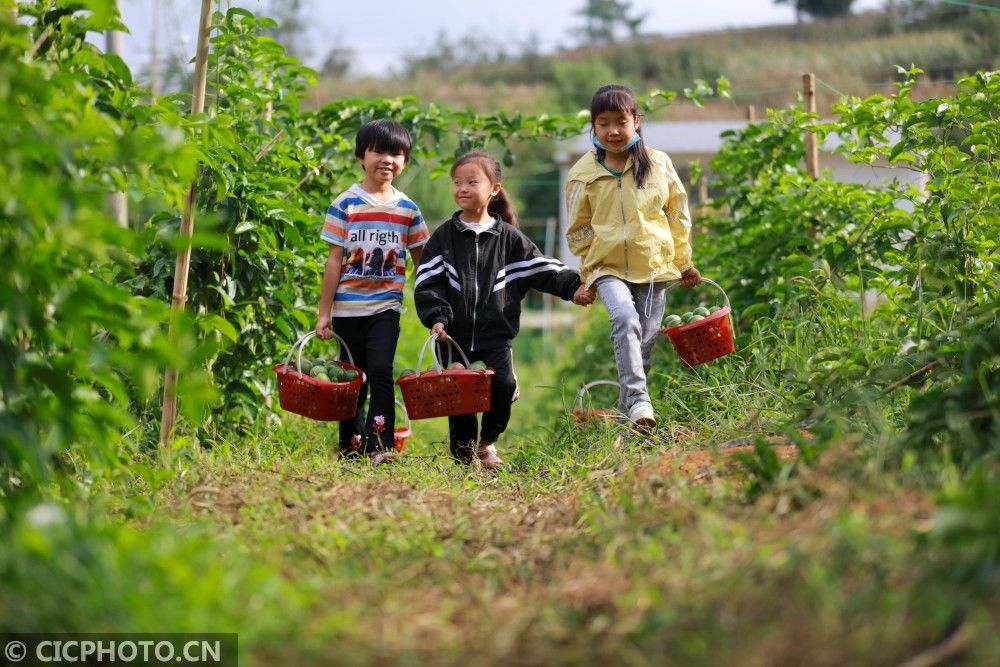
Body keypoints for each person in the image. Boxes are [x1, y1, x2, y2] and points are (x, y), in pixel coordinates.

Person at [414, 150, 594, 470]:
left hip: (496, 335)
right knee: (461, 397)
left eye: (472, 181)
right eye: (457, 182)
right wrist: (437, 318)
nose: (463, 188)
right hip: (451, 337)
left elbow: (542, 269)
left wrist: (573, 287)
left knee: (503, 386)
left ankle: (486, 444)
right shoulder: (444, 237)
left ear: (494, 188)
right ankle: (464, 455)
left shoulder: (510, 239)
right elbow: (428, 281)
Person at [565, 83, 702, 430]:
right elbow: (577, 229)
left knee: (644, 343)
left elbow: (677, 214)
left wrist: (683, 261)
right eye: (603, 123)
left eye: (620, 121)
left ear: (636, 121)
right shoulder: (583, 173)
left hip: (654, 267)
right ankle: (641, 401)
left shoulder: (658, 164)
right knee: (625, 320)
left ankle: (629, 415)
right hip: (607, 269)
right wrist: (590, 267)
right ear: (594, 127)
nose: (613, 131)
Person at [315, 119, 430, 465]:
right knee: (353, 378)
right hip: (348, 309)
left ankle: (379, 444)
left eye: (396, 153)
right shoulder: (346, 204)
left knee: (380, 369)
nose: (387, 160)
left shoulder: (408, 209)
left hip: (385, 308)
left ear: (405, 160)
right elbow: (334, 261)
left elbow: (422, 259)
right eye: (378, 151)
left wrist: (432, 305)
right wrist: (324, 313)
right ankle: (351, 445)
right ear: (361, 157)